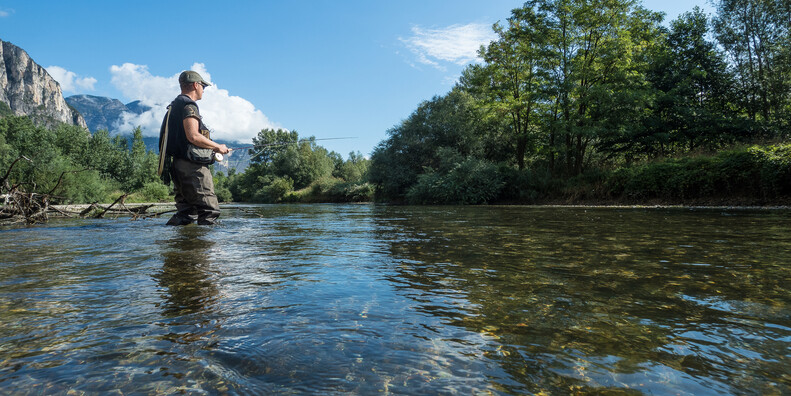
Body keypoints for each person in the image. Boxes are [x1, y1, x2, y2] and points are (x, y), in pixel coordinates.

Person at [159, 70, 229, 226]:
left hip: (177, 166)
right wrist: (218, 147)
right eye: (203, 86)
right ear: (196, 85)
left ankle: (180, 247)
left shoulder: (174, 105)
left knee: (187, 211)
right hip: (191, 167)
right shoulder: (189, 105)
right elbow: (193, 136)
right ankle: (204, 249)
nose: (203, 89)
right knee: (209, 210)